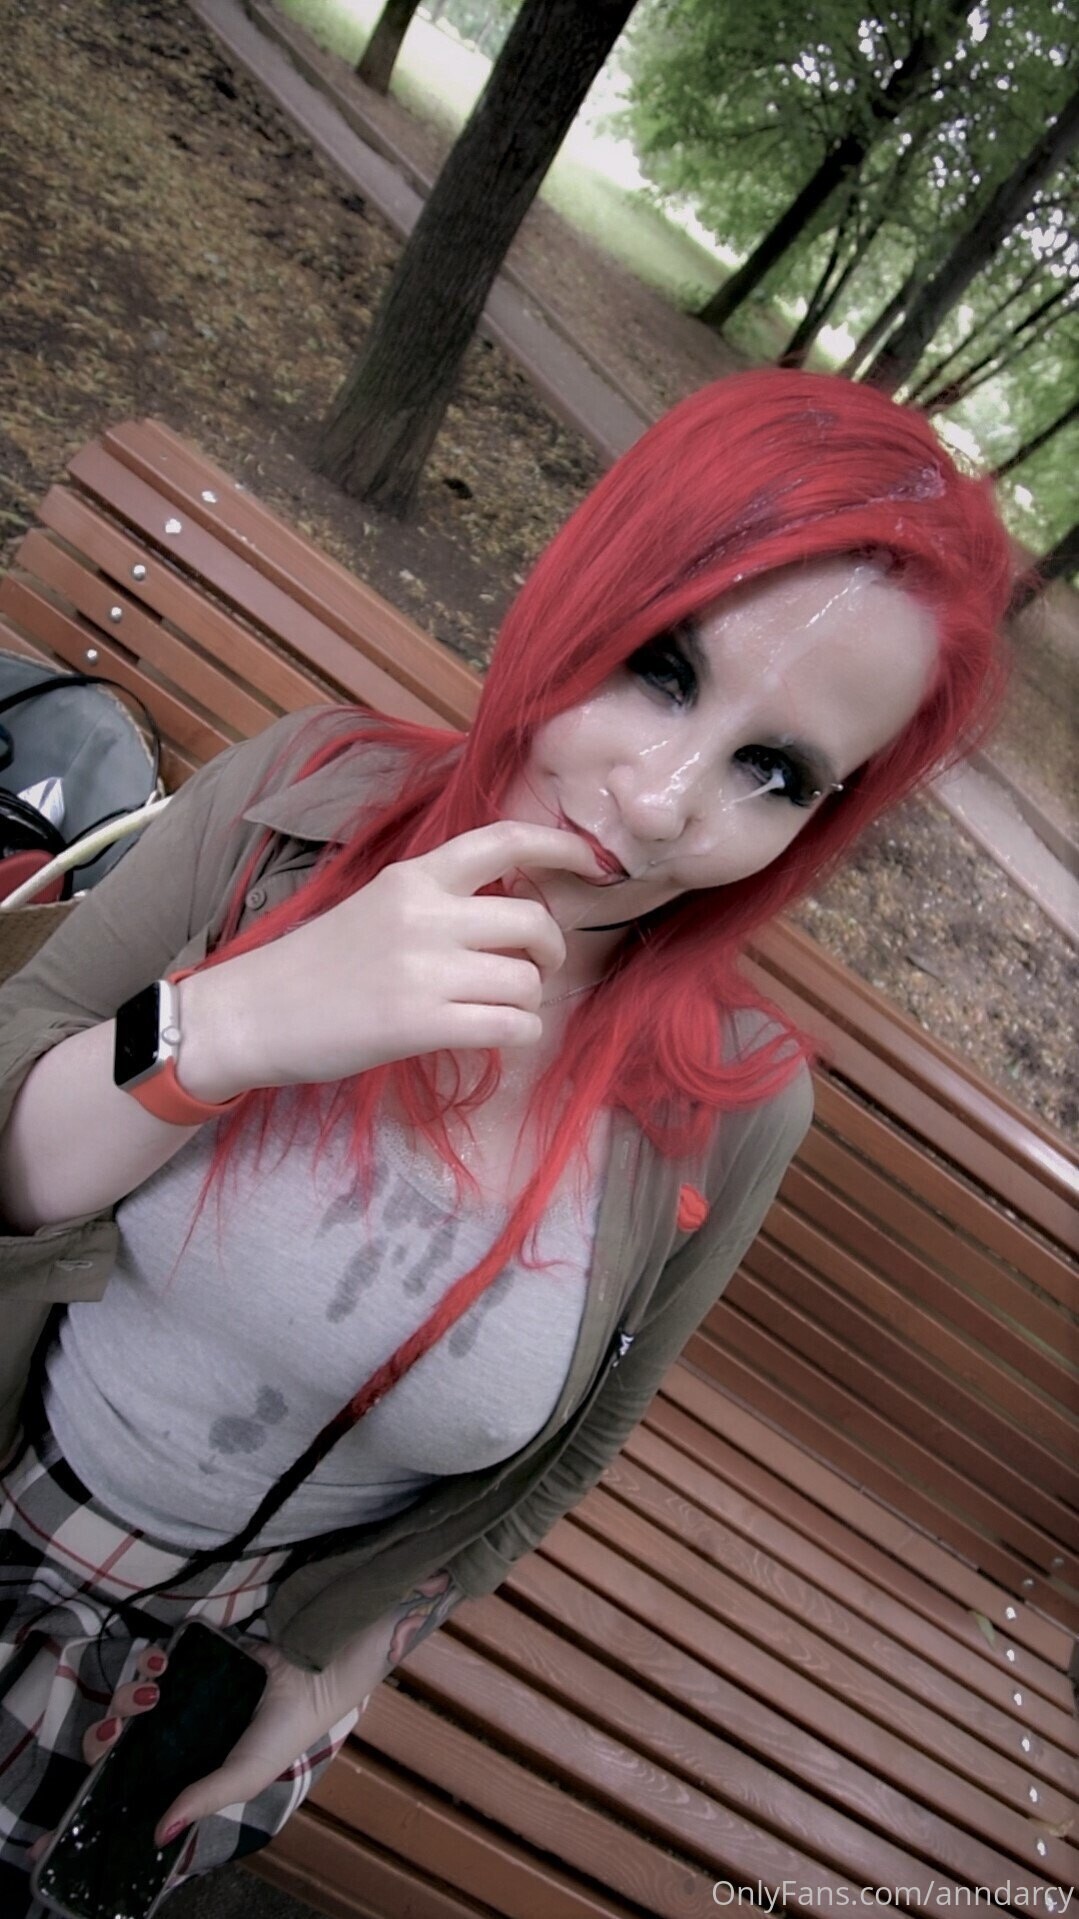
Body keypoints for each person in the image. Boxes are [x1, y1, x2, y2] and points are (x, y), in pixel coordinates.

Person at [0, 367, 1011, 1913]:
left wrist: (349, 1662)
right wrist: (235, 1024)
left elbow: (580, 1444)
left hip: (207, 1680)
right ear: (584, 590)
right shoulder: (292, 810)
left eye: (776, 771)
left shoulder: (735, 1109)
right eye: (662, 668)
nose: (660, 807)